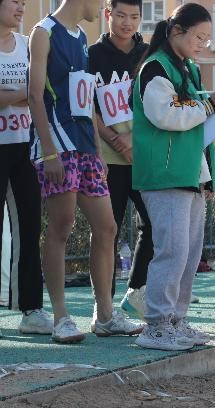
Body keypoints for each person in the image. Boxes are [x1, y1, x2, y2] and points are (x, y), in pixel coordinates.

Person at [29, 0, 144, 344]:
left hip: (86, 147)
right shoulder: (43, 32)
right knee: (61, 226)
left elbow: (86, 100)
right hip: (58, 145)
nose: (103, 7)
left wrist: (95, 148)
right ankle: (61, 318)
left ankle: (105, 316)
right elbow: (35, 96)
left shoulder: (80, 35)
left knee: (107, 226)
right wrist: (49, 151)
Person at [131, 3, 215, 351]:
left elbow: (197, 128)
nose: (203, 44)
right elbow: (166, 115)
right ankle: (156, 326)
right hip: (164, 173)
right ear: (176, 31)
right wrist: (209, 105)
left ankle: (175, 320)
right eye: (198, 37)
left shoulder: (187, 68)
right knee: (171, 251)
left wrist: (207, 177)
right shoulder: (155, 67)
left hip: (188, 172)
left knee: (188, 255)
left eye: (206, 38)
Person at [88, 0, 152, 319]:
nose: (128, 23)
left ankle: (136, 293)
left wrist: (133, 138)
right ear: (108, 14)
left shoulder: (150, 54)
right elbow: (87, 106)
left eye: (135, 17)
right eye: (121, 15)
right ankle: (104, 306)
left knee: (155, 225)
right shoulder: (92, 55)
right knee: (105, 232)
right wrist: (114, 139)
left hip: (144, 158)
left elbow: (158, 103)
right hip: (107, 160)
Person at [0, 0, 54, 336]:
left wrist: (17, 95)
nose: (21, 7)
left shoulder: (26, 45)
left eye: (24, 2)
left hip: (25, 147)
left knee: (30, 227)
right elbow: (31, 93)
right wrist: (22, 93)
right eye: (14, 1)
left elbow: (41, 93)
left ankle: (31, 308)